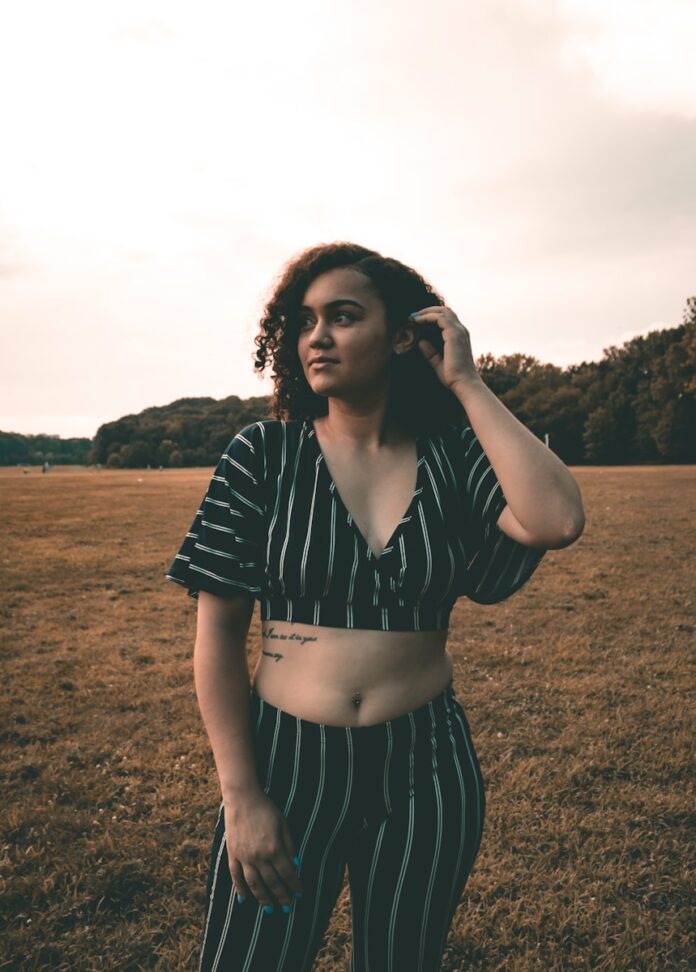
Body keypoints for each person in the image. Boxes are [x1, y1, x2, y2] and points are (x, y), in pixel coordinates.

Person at [165, 241, 585, 972]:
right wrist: (242, 796)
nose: (317, 337)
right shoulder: (263, 455)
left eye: (343, 316)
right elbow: (218, 637)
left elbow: (558, 519)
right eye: (304, 321)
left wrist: (467, 383)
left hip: (425, 765)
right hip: (287, 763)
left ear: (400, 336)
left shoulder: (452, 456)